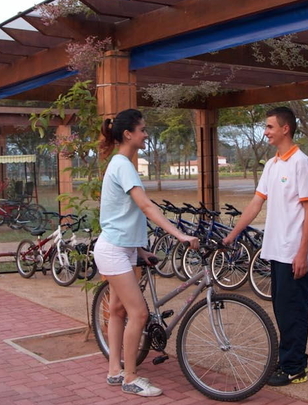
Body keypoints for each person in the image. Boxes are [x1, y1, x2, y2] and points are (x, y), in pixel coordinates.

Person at [94, 108, 197, 397]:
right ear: (129, 134)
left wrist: (140, 250)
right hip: (113, 249)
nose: (146, 134)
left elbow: (120, 216)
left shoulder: (120, 163)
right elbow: (146, 207)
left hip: (122, 247)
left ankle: (115, 370)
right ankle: (130, 377)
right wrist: (179, 234)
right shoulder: (123, 165)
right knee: (138, 314)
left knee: (117, 311)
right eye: (142, 129)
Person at [223, 106, 308, 386]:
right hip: (276, 250)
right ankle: (290, 357)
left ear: (285, 129)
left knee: (294, 311)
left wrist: (302, 252)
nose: (265, 132)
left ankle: (295, 368)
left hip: (294, 252)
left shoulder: (302, 163)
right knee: (282, 309)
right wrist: (232, 235)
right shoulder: (272, 165)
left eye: (269, 127)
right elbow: (256, 203)